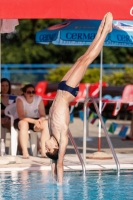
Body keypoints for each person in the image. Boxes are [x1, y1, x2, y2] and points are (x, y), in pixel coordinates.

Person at [45, 12, 113, 184]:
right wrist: (59, 187)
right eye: (47, 148)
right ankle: (105, 32)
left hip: (61, 88)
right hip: (67, 92)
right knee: (86, 61)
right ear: (55, 147)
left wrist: (52, 174)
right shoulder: (61, 137)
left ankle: (101, 30)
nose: (44, 146)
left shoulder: (51, 130)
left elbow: (53, 164)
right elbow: (59, 163)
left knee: (81, 58)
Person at [14, 84, 50, 158]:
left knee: (46, 123)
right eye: (29, 92)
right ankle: (25, 151)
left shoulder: (38, 99)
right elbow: (21, 116)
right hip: (21, 120)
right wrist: (34, 122)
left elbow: (43, 114)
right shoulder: (20, 99)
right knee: (24, 124)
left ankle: (44, 152)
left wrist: (40, 120)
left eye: (33, 92)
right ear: (24, 93)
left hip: (35, 119)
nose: (31, 94)